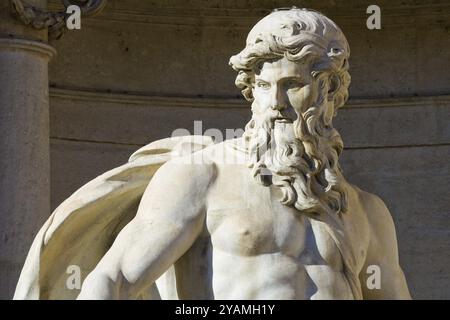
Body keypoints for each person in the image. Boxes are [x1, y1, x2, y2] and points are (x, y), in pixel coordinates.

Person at [15, 8, 411, 300]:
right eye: (262, 86)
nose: (275, 102)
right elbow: (114, 278)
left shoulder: (366, 211)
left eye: (292, 85)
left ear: (329, 91)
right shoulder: (205, 176)